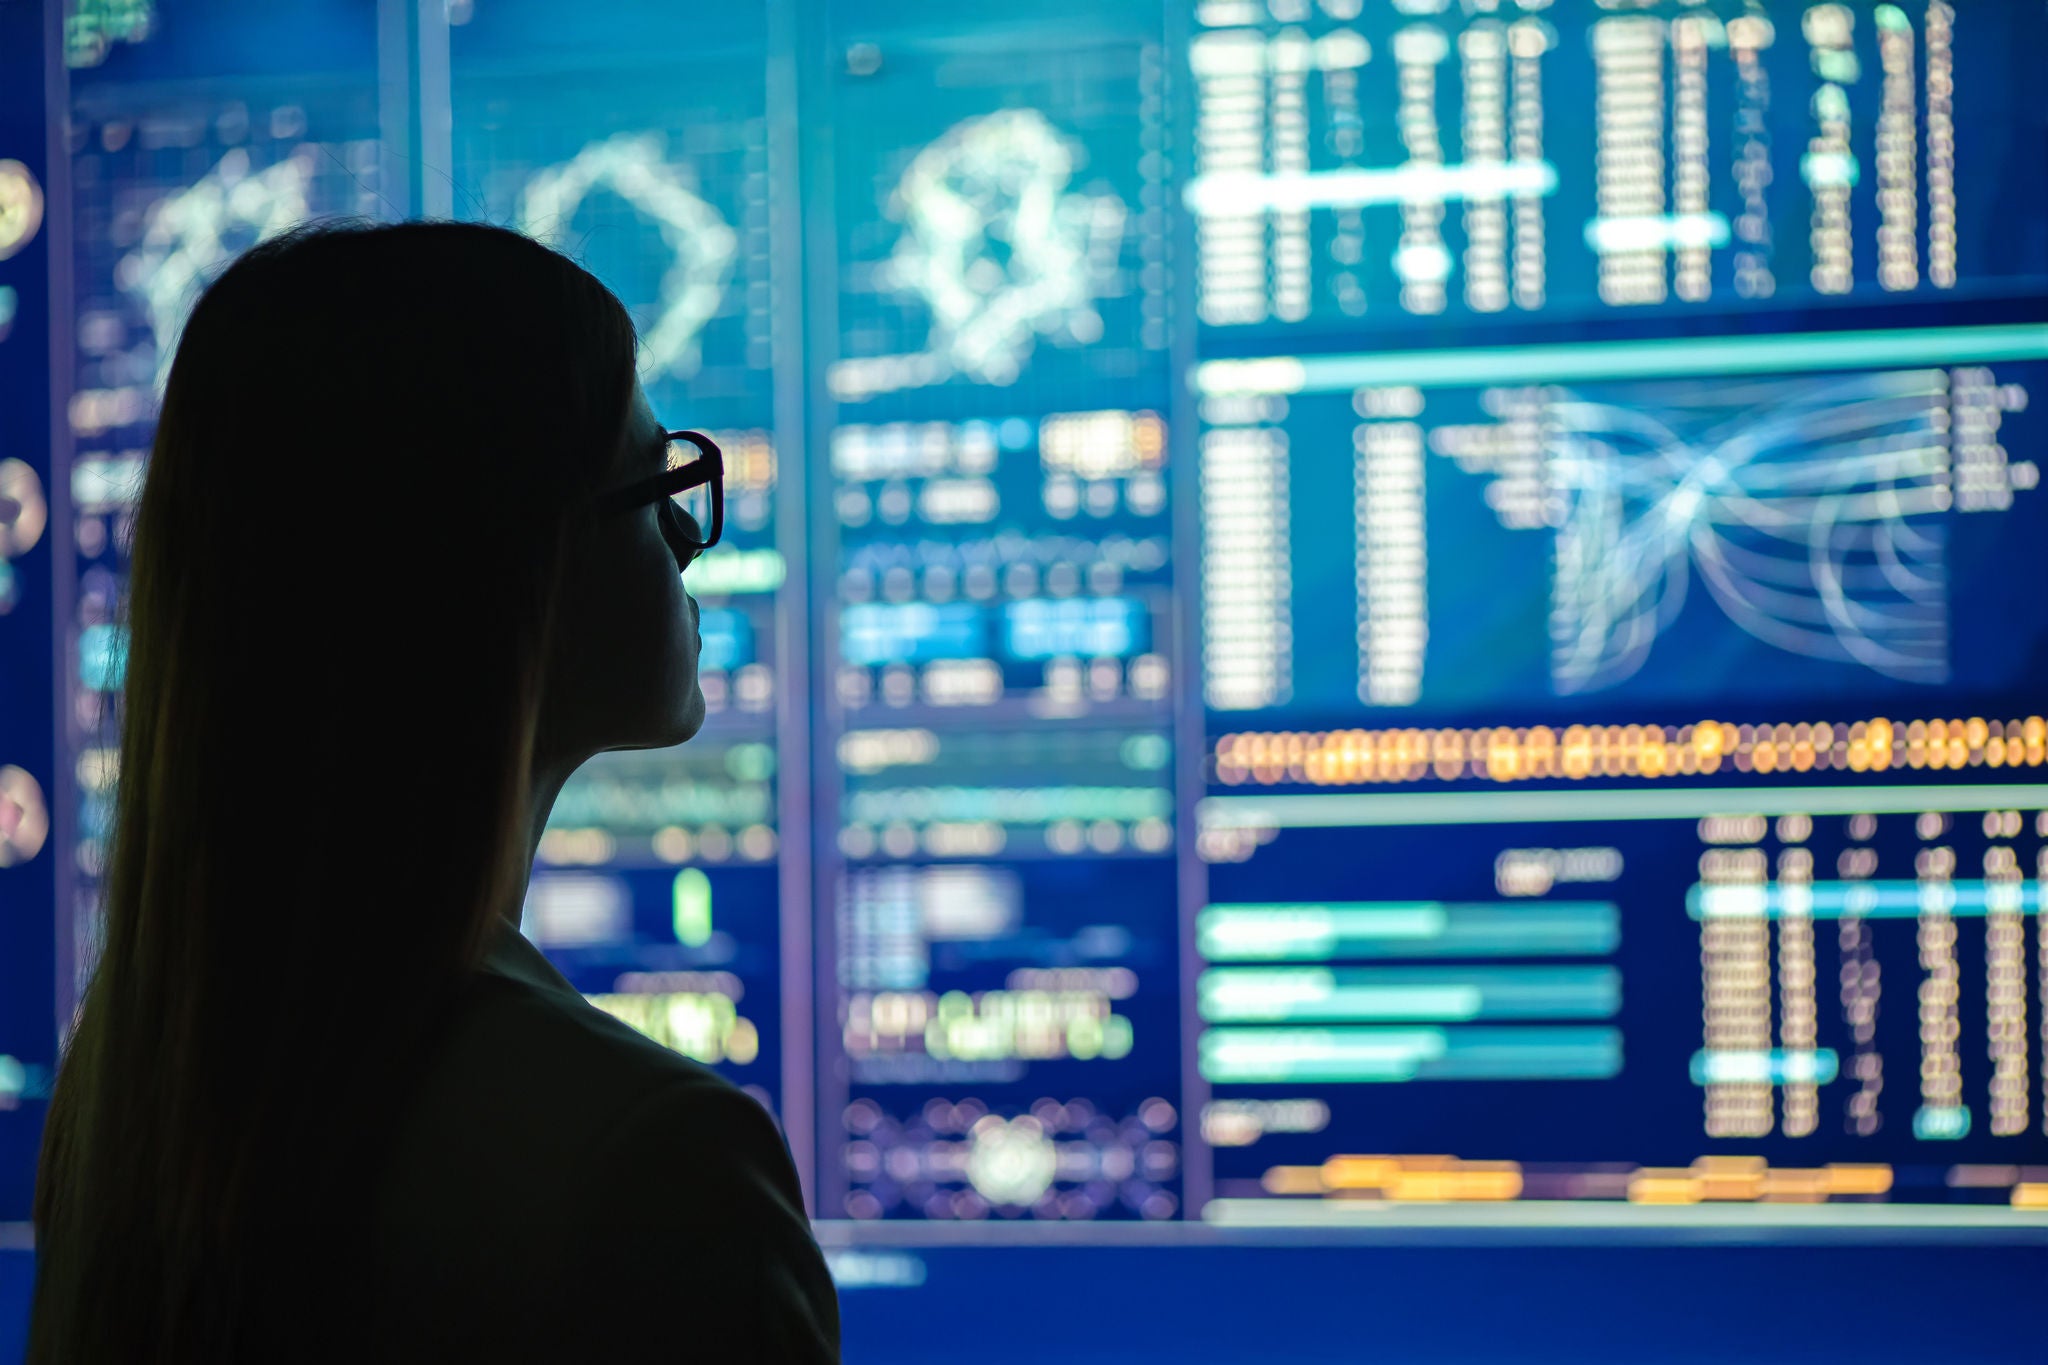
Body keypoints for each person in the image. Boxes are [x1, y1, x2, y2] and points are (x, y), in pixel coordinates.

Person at [27, 221, 840, 1363]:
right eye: (653, 479)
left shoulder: (135, 1073)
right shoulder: (657, 1163)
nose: (684, 538)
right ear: (512, 567)